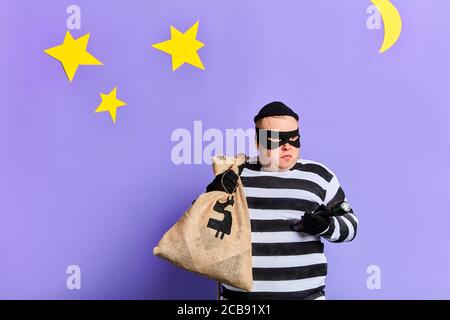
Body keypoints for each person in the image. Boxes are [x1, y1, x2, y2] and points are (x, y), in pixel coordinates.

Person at [205, 101, 358, 300]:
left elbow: (351, 226)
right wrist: (213, 195)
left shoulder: (319, 176)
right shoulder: (235, 173)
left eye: (293, 138)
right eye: (277, 140)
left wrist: (325, 225)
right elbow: (202, 230)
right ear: (258, 142)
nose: (287, 146)